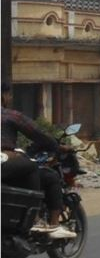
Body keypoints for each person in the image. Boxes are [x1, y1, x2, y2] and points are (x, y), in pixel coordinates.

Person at [1, 83, 77, 239]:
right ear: (3, 96)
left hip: (8, 166)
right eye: (9, 95)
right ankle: (38, 221)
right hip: (5, 161)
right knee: (35, 169)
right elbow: (38, 135)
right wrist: (58, 147)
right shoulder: (9, 115)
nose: (10, 98)